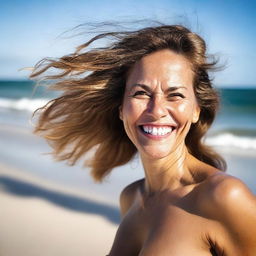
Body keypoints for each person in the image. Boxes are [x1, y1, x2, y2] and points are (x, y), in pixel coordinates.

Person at [30, 24, 256, 255]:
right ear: (121, 109)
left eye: (175, 95)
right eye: (141, 93)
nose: (157, 110)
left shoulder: (224, 197)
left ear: (196, 110)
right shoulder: (130, 198)